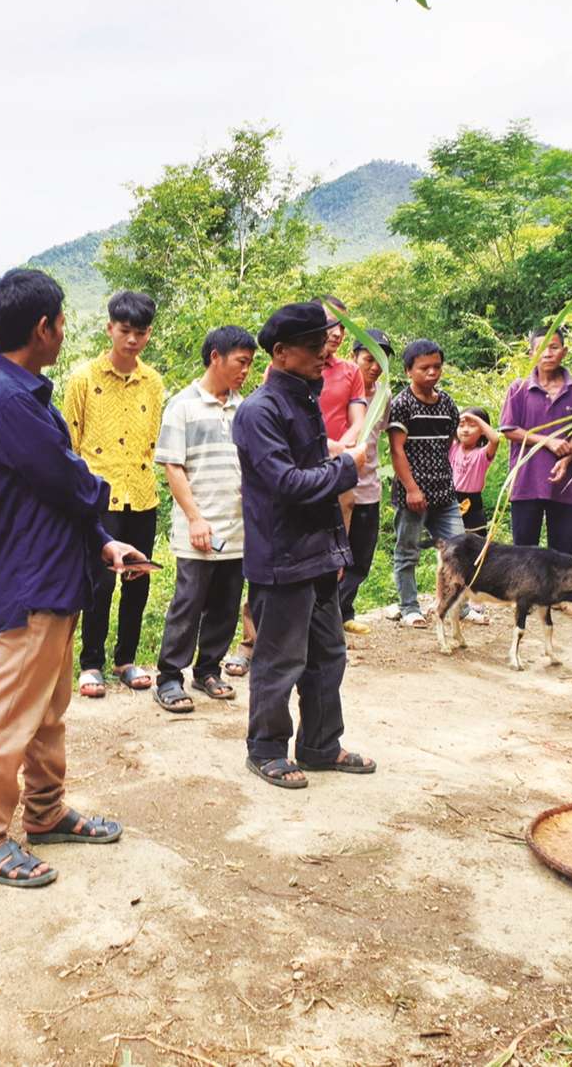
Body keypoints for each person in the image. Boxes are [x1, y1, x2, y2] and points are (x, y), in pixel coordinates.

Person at [0, 269, 142, 888]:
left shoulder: (25, 394)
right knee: (11, 716)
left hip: (55, 577)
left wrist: (104, 542)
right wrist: (102, 493)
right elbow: (71, 482)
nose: (65, 331)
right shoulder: (11, 401)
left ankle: (44, 811)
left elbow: (60, 498)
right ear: (43, 328)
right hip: (29, 582)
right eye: (62, 321)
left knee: (48, 712)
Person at [233, 302, 374, 788]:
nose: (325, 355)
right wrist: (349, 465)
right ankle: (267, 749)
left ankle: (320, 745)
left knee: (328, 655)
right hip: (281, 557)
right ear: (281, 353)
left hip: (316, 555)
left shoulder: (306, 398)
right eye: (315, 348)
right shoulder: (259, 411)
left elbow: (314, 479)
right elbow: (289, 483)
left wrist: (337, 550)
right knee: (280, 660)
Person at [64, 290, 165, 696]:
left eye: (140, 333)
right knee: (100, 581)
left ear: (148, 334)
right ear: (110, 328)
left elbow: (153, 439)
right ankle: (91, 664)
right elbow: (70, 441)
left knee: (138, 580)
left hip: (141, 494)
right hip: (99, 495)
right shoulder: (83, 378)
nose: (132, 340)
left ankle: (126, 659)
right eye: (125, 331)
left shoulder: (153, 382)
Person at [151, 325, 256, 713]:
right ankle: (169, 676)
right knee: (188, 602)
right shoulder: (183, 406)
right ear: (216, 357)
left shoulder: (244, 408)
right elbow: (173, 467)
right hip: (199, 526)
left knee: (227, 603)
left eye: (249, 364)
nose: (245, 370)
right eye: (240, 362)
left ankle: (208, 669)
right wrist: (195, 518)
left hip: (237, 525)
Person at [500, 329, 572, 615]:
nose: (548, 354)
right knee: (524, 544)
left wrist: (567, 458)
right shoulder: (518, 389)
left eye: (554, 348)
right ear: (531, 354)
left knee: (565, 541)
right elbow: (509, 430)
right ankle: (524, 597)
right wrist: (549, 441)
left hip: (565, 481)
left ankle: (565, 597)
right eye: (541, 349)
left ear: (564, 352)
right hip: (526, 479)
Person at [387, 338, 464, 629]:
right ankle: (409, 607)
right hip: (413, 496)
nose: (431, 373)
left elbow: (447, 444)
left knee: (458, 549)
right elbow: (397, 450)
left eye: (436, 367)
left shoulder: (446, 404)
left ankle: (455, 605)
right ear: (409, 371)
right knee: (408, 551)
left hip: (445, 494)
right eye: (424, 368)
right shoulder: (402, 405)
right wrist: (412, 488)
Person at [340, 329, 393, 636]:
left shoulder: (383, 396)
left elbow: (380, 437)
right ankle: (327, 618)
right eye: (369, 358)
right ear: (354, 357)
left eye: (381, 361)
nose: (374, 366)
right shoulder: (342, 390)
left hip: (369, 488)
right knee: (334, 557)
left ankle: (344, 611)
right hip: (337, 486)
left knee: (361, 558)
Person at [315, 297, 368, 533]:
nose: (338, 333)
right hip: (300, 466)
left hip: (338, 465)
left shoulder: (350, 371)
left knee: (342, 514)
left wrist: (339, 451)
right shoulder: (285, 368)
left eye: (343, 327)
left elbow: (359, 421)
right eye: (331, 324)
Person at [451, 406, 502, 539]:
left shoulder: (482, 454)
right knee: (451, 540)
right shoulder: (453, 447)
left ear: (482, 431)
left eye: (472, 425)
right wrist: (458, 418)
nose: (465, 430)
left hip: (473, 502)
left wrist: (476, 419)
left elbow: (495, 440)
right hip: (451, 499)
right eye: (461, 425)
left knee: (475, 542)